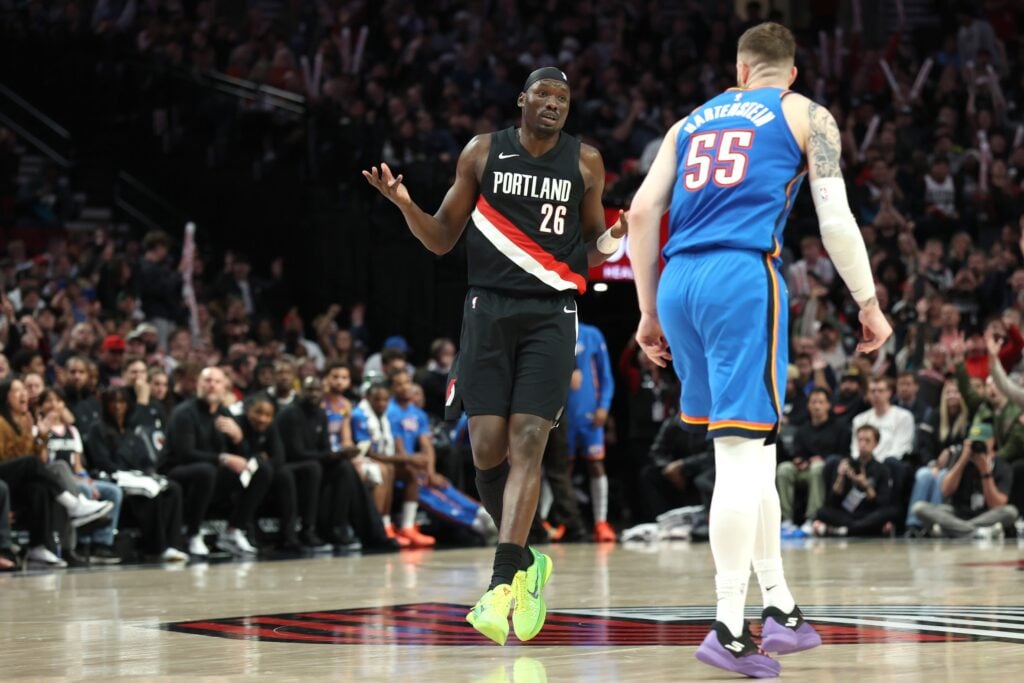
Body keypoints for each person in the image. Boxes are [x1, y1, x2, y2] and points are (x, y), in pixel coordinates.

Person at [627, 22, 890, 677]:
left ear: (740, 70)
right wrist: (867, 302)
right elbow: (834, 218)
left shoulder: (688, 122)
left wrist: (645, 311)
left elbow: (637, 215)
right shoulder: (807, 113)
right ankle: (727, 624)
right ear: (789, 73)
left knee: (758, 446)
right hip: (741, 277)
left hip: (678, 281)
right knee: (740, 458)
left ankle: (781, 607)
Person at [363, 65, 627, 646]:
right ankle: (529, 563)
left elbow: (590, 244)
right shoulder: (483, 152)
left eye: (563, 97)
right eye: (543, 94)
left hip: (553, 313)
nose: (554, 104)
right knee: (486, 450)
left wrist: (615, 237)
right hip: (486, 310)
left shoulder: (586, 162)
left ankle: (503, 582)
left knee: (529, 441)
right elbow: (439, 239)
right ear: (522, 100)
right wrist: (405, 203)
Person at [0, 377, 114, 566]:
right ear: (5, 397)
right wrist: (35, 436)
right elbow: (8, 457)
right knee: (31, 463)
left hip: (17, 475)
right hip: (4, 471)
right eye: (17, 391)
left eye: (23, 391)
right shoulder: (1, 422)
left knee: (39, 488)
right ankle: (73, 505)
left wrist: (41, 432)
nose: (24, 395)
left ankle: (39, 547)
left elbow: (38, 457)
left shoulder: (24, 420)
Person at [163, 366, 271, 557]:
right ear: (199, 385)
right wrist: (223, 458)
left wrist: (238, 438)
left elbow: (242, 456)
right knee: (206, 470)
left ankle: (232, 531)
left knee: (261, 470)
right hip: (177, 471)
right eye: (207, 380)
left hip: (213, 473)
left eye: (217, 381)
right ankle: (193, 534)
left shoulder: (224, 414)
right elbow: (184, 453)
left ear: (225, 388)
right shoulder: (184, 413)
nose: (212, 385)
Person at [85, 387, 189, 562]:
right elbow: (102, 461)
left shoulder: (134, 429)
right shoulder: (98, 429)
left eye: (122, 402)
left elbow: (146, 458)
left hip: (138, 476)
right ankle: (157, 548)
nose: (118, 407)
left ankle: (174, 544)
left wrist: (149, 472)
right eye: (113, 402)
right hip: (116, 477)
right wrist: (129, 475)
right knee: (149, 494)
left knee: (173, 488)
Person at [236, 394, 328, 552]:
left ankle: (292, 534)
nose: (263, 419)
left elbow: (279, 457)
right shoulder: (238, 424)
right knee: (265, 473)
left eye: (268, 415)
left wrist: (258, 460)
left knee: (289, 472)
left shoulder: (271, 428)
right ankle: (248, 530)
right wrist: (259, 457)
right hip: (240, 474)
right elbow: (239, 455)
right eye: (258, 413)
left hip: (266, 472)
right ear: (248, 411)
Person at [911, 422, 1017, 538]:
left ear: (992, 441)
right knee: (919, 508)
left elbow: (997, 504)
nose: (977, 446)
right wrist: (962, 460)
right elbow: (945, 490)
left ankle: (954, 530)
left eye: (981, 442)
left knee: (1010, 512)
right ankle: (978, 532)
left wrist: (985, 472)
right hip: (957, 513)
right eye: (973, 442)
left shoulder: (1002, 466)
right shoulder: (960, 459)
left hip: (986, 514)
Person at [566, 322, 616, 542]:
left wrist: (604, 406)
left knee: (596, 464)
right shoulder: (550, 332)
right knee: (560, 469)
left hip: (590, 414)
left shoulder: (592, 334)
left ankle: (600, 521)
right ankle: (559, 520)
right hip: (561, 415)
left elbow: (606, 375)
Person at [777, 388, 846, 538]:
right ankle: (786, 519)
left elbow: (843, 453)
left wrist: (823, 458)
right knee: (784, 469)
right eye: (813, 402)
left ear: (828, 405)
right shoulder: (802, 430)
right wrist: (799, 461)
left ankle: (812, 518)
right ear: (808, 405)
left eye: (821, 402)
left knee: (817, 467)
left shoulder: (839, 427)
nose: (817, 406)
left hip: (826, 470)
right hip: (805, 468)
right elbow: (797, 452)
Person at [813, 425, 897, 537]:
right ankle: (864, 530)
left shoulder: (882, 469)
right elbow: (832, 501)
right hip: (847, 513)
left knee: (890, 512)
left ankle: (844, 531)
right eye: (860, 440)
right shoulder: (847, 464)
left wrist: (866, 486)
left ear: (876, 444)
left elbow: (882, 502)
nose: (863, 444)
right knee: (822, 512)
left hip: (868, 512)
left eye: (867, 441)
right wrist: (840, 477)